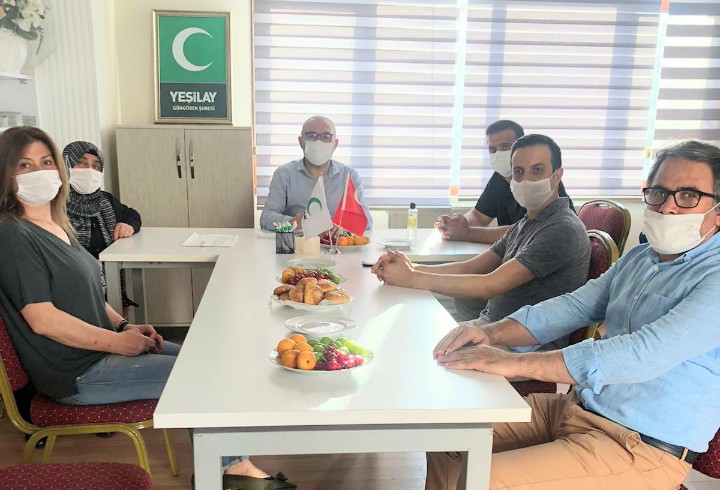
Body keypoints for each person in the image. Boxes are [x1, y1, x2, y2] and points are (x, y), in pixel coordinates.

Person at [0, 127, 295, 490]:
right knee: (199, 377)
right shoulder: (13, 234)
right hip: (77, 372)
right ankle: (233, 471)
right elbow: (43, 319)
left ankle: (229, 466)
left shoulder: (57, 225)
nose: (39, 172)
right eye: (24, 165)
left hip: (100, 350)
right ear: (6, 174)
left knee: (205, 362)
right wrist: (117, 344)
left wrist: (124, 326)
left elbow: (88, 294)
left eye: (46, 162)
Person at [427, 140, 720, 490]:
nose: (668, 207)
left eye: (688, 196)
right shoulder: (640, 259)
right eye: (658, 193)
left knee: (481, 481)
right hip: (577, 409)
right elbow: (574, 306)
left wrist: (512, 363)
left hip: (640, 446)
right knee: (447, 437)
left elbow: (640, 355)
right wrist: (492, 333)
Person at [371, 134, 590, 341]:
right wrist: (413, 267)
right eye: (519, 172)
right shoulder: (528, 222)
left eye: (537, 170)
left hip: (523, 345)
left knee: (412, 344)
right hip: (493, 328)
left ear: (557, 175)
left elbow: (489, 285)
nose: (526, 180)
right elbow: (469, 267)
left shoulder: (561, 229)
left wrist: (411, 278)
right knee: (407, 334)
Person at [435, 120, 574, 244]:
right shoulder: (499, 178)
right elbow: (479, 216)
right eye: (492, 149)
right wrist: (457, 224)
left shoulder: (544, 183)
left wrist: (466, 233)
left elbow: (528, 231)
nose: (498, 154)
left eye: (505, 147)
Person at [63, 141, 141, 316]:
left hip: (109, 285)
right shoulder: (54, 205)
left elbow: (132, 214)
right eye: (82, 163)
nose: (89, 170)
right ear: (65, 166)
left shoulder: (105, 200)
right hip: (72, 291)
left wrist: (128, 225)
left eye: (96, 166)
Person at [259, 115, 372, 232]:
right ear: (301, 141)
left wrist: (339, 226)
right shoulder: (284, 174)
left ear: (335, 144)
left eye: (326, 137)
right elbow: (266, 218)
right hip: (298, 241)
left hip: (338, 242)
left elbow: (367, 221)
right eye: (311, 136)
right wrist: (293, 222)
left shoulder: (349, 176)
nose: (319, 142)